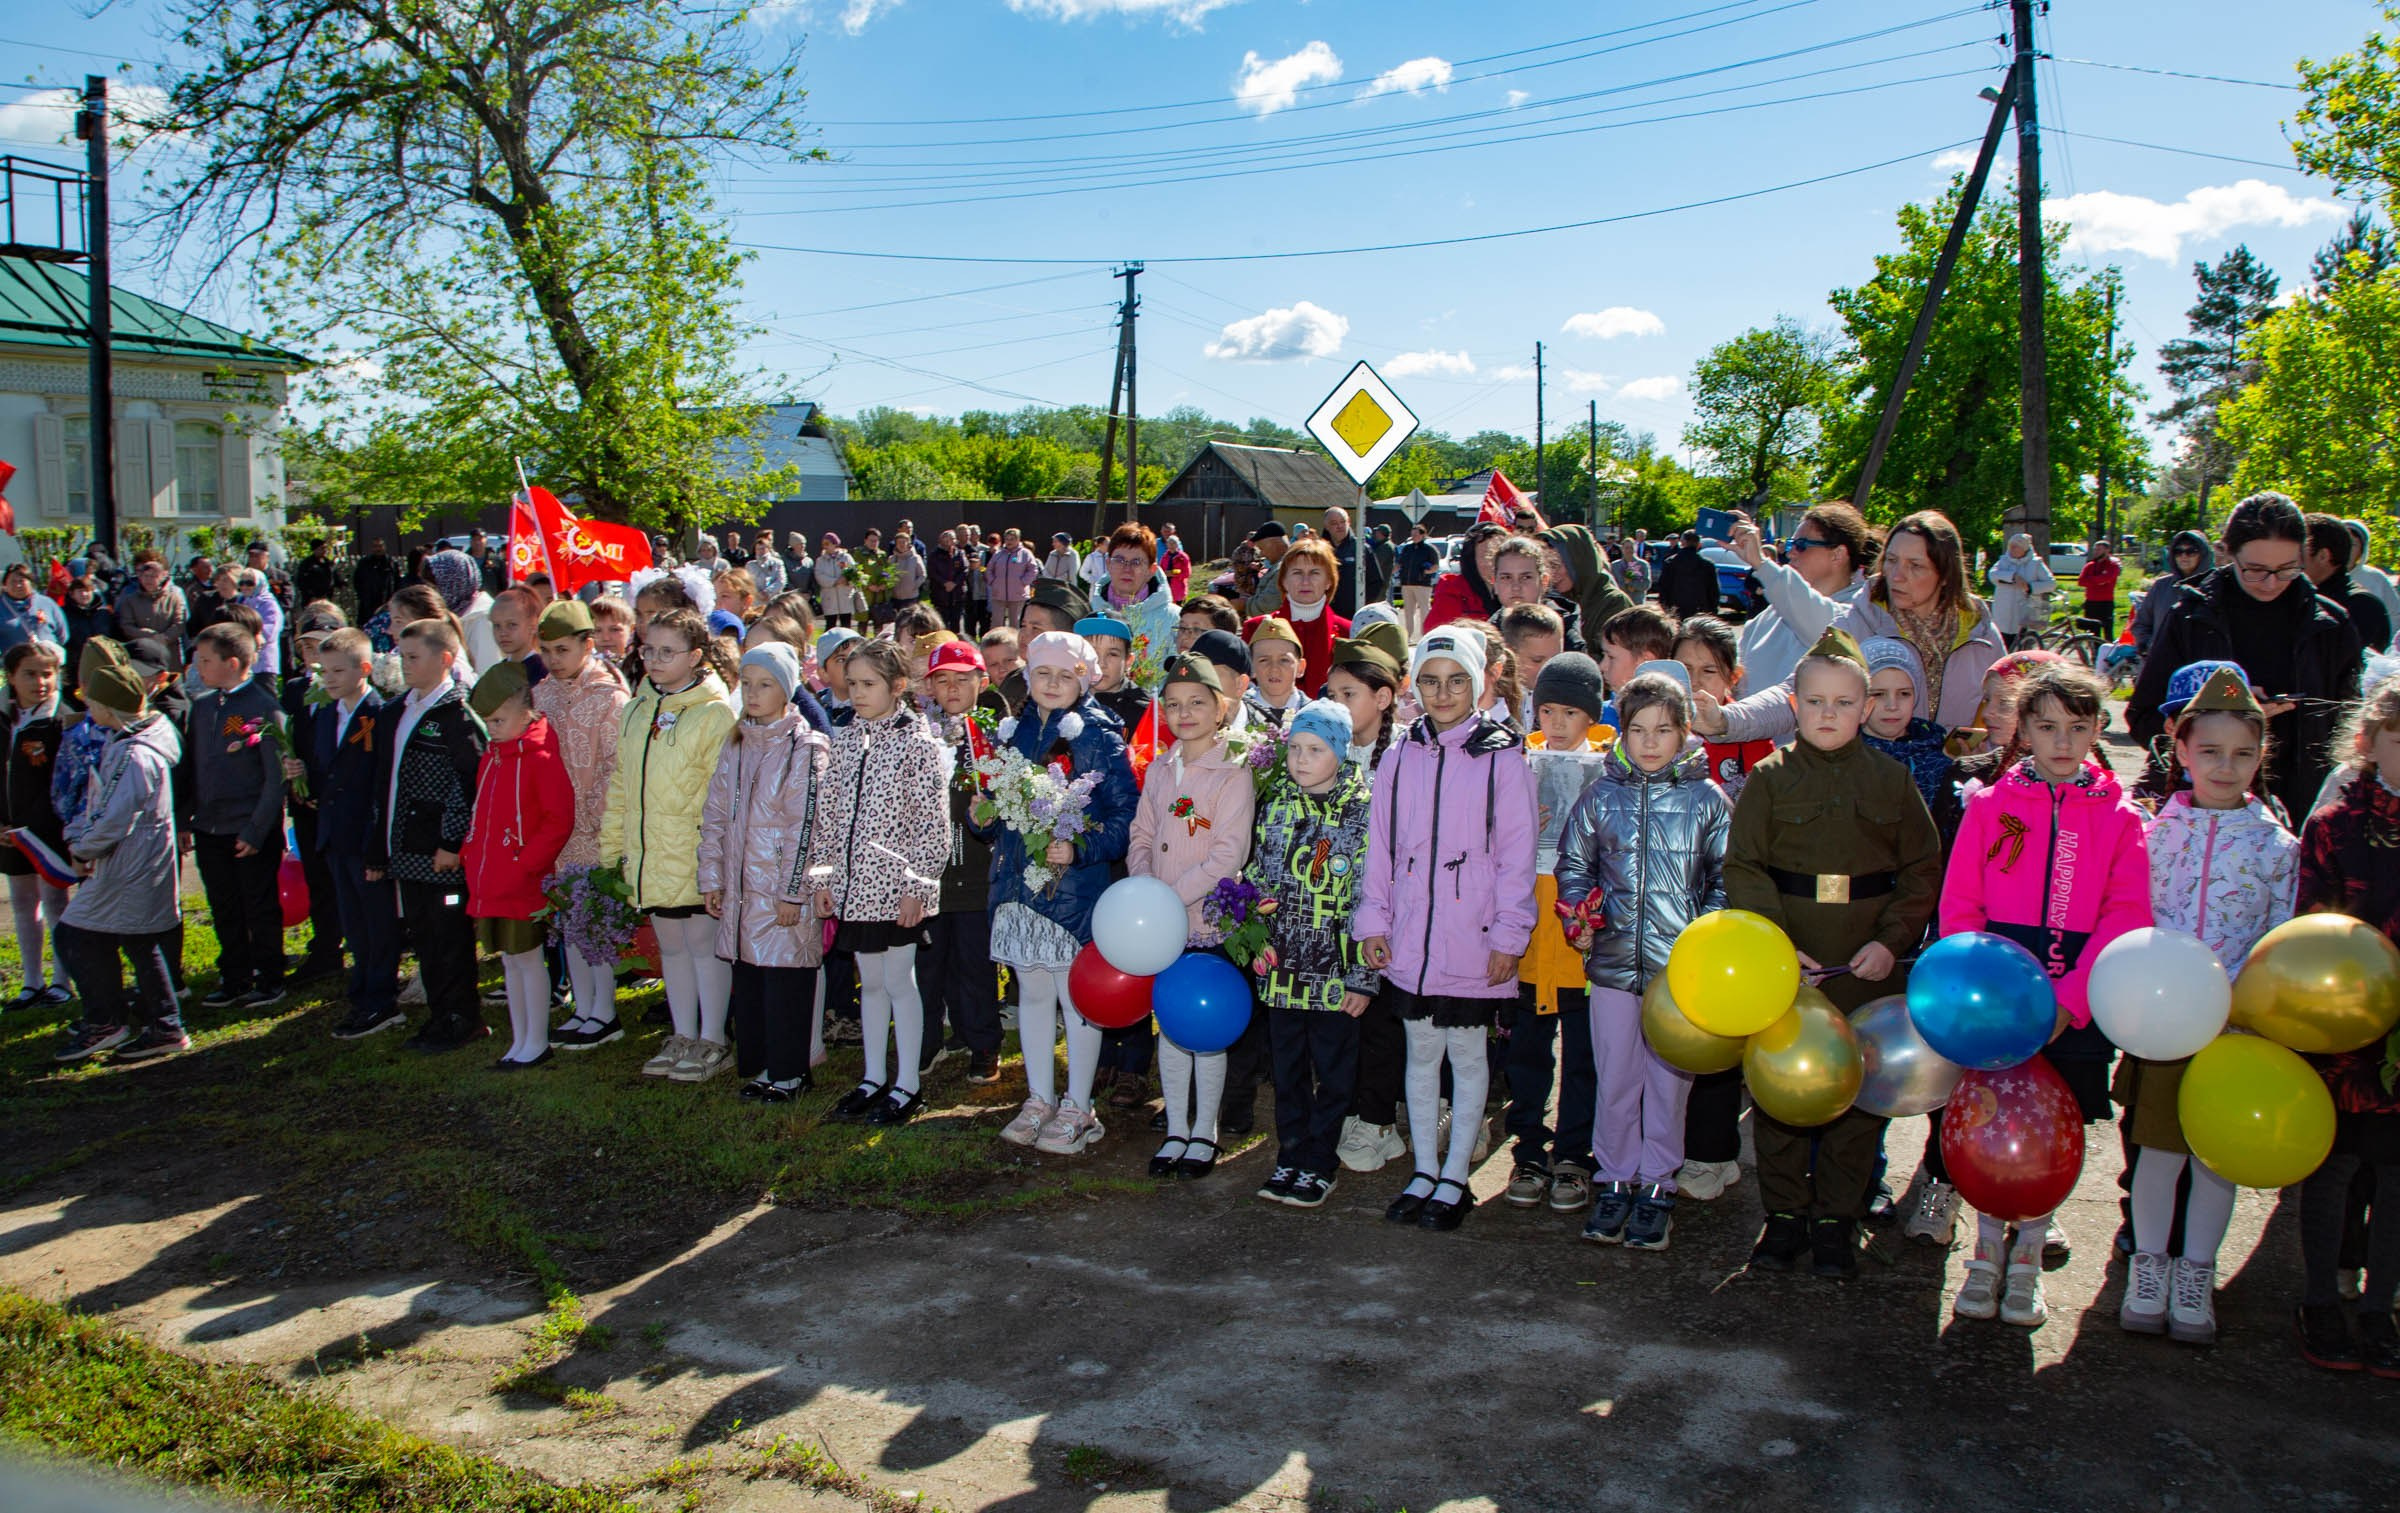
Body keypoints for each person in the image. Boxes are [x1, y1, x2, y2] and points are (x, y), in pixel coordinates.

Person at [1724, 629, 1942, 1278]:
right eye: (1815, 700)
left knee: (1858, 1090)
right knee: (1783, 1090)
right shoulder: (1768, 778)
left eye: (1844, 702)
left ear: (1866, 707)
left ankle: (1835, 1221)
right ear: (1794, 704)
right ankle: (1784, 1216)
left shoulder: (1893, 779)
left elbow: (1923, 868)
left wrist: (1891, 942)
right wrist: (1778, 945)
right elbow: (1745, 868)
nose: (1828, 713)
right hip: (1792, 965)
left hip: (1864, 965)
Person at [1941, 661, 2152, 1326]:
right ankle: (1982, 1257)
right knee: (1987, 1119)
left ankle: (2027, 1257)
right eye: (2047, 725)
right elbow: (1961, 905)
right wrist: (1985, 992)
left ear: (2097, 730)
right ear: (2023, 728)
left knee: (2053, 1130)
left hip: (2074, 1003)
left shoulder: (2120, 820)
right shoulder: (1991, 804)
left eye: (2078, 727)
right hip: (1996, 1003)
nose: (2062, 740)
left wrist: (2069, 1001)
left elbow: (2126, 914)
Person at [2110, 667, 2294, 1345]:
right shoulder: (2155, 834)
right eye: (2210, 750)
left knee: (2215, 1155)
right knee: (2158, 1148)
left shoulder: (2276, 847)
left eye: (2243, 753)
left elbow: (2281, 939)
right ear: (2180, 750)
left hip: (2235, 1027)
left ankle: (2196, 1272)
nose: (2226, 765)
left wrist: (2254, 1006)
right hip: (2165, 1023)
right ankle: (2149, 1265)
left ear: (2261, 758)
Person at [1355, 627, 1538, 1232]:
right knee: (1420, 1052)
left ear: (1480, 682)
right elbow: (1379, 846)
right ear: (1415, 685)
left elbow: (1517, 853)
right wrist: (1373, 919)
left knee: (1466, 1052)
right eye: (1430, 682)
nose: (1443, 693)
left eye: (1456, 681)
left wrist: (1510, 935)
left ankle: (1457, 1173)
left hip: (1473, 933)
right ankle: (1424, 1169)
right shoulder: (1401, 753)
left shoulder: (1503, 756)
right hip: (1412, 932)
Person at [1556, 670, 1729, 1250]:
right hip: (1609, 968)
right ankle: (1613, 1178)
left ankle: (1657, 1183)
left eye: (1663, 730)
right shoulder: (1600, 796)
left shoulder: (1708, 800)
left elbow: (1725, 881)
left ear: (1684, 733)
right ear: (1621, 734)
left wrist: (1707, 944)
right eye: (1637, 730)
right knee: (1616, 1076)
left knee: (1668, 1082)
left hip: (1678, 976)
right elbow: (1574, 865)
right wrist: (1577, 913)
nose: (1650, 742)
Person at [982, 632, 1140, 1156]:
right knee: (1032, 991)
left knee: (1077, 999)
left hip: (1072, 891)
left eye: (1065, 675)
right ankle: (1038, 1097)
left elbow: (1124, 816)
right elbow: (998, 806)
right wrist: (982, 814)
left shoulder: (1099, 734)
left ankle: (1078, 1105)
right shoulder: (1016, 729)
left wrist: (1080, 846)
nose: (1052, 685)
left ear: (1084, 679)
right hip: (1019, 886)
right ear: (1028, 677)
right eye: (1042, 674)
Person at [2130, 493, 2365, 824]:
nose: (2271, 583)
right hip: (2204, 818)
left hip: (2301, 810)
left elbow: (2353, 727)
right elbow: (2143, 719)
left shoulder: (2330, 624)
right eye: (2255, 569)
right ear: (2228, 553)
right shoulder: (2189, 617)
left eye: (2287, 569)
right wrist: (2217, 712)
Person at [2293, 677, 2400, 1374]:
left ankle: (2378, 1304)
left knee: (2395, 1173)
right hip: (2341, 1026)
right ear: (2369, 741)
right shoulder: (2334, 826)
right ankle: (2320, 1296)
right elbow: (2309, 928)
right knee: (2331, 1169)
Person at [1699, 510, 2005, 745]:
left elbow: (2011, 710)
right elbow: (1797, 691)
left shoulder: (1980, 631)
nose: (1897, 575)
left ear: (1946, 574)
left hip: (1960, 795)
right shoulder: (1861, 620)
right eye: (1892, 560)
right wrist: (1726, 721)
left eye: (1915, 566)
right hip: (1876, 793)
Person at [810, 639, 950, 1127]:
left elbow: (932, 824)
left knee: (898, 980)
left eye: (868, 684)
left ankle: (907, 1082)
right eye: (852, 685)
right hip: (855, 890)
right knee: (869, 983)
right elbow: (827, 817)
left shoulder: (918, 742)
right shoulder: (845, 738)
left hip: (895, 889)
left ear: (898, 686)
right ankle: (872, 1077)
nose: (858, 694)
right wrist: (824, 876)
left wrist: (918, 887)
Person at [1130, 653, 1258, 1179]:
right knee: (1172, 1025)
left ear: (1221, 708)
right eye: (1174, 705)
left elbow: (1227, 855)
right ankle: (1176, 1125)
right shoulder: (1160, 767)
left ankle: (1205, 1130)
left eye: (1197, 703)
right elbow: (1141, 833)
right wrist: (1142, 884)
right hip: (1161, 925)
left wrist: (1169, 896)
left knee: (1204, 1026)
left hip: (1204, 921)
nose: (1185, 714)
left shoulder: (1233, 772)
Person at [601, 607, 739, 1082]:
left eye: (667, 652)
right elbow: (621, 783)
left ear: (696, 656)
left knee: (704, 946)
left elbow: (720, 795)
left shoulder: (713, 714)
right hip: (651, 854)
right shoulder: (638, 709)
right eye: (648, 650)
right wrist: (614, 848)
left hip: (694, 855)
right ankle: (683, 1033)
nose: (655, 660)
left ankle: (714, 1038)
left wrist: (714, 860)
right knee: (672, 948)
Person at [1248, 697, 1376, 1209]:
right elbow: (1260, 870)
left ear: (1341, 753)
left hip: (1334, 970)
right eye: (1296, 748)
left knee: (1335, 1068)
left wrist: (1363, 976)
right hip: (1281, 967)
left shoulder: (1364, 810)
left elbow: (1372, 896)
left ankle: (1321, 1160)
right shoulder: (1278, 801)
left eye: (1316, 749)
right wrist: (1253, 924)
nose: (1301, 760)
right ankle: (1291, 1152)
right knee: (1288, 1068)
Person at [1503, 651, 1612, 1220]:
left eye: (1571, 713)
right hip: (1528, 929)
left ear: (1590, 716)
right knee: (1527, 1050)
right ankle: (1527, 1148)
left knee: (1583, 1055)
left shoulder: (1607, 768)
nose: (1559, 724)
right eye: (1547, 711)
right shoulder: (1519, 761)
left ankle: (1574, 1153)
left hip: (1579, 935)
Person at [698, 642, 829, 1104]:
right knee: (752, 976)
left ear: (787, 689)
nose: (753, 694)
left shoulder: (804, 747)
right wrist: (712, 878)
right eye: (746, 684)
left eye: (765, 684)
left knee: (785, 979)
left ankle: (790, 1071)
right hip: (740, 888)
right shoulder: (736, 743)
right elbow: (715, 814)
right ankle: (764, 1064)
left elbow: (806, 826)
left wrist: (793, 892)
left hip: (777, 889)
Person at [48, 640, 187, 1064]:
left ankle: (107, 1020)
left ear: (109, 708)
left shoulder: (134, 754)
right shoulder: (136, 741)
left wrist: (82, 847)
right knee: (139, 943)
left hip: (129, 865)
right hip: (138, 861)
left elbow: (111, 815)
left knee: (73, 934)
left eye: (92, 701)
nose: (88, 708)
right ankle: (164, 1025)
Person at [368, 619, 489, 1052]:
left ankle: (462, 1017)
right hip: (409, 851)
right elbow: (386, 784)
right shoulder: (398, 711)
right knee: (424, 936)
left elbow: (471, 783)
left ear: (444, 660)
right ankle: (440, 1015)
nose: (405, 665)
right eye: (402, 656)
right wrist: (379, 848)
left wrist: (452, 843)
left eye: (414, 657)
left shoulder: (457, 716)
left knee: (450, 938)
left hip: (441, 855)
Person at [460, 662, 572, 1069]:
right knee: (510, 961)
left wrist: (526, 865)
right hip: (493, 878)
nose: (491, 727)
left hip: (522, 880)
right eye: (488, 721)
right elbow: (482, 814)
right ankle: (520, 1036)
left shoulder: (540, 757)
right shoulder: (493, 757)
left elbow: (558, 819)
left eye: (499, 719)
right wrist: (473, 855)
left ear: (524, 709)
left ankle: (537, 1039)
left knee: (527, 958)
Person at [299, 629, 403, 1041]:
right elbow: (328, 769)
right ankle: (362, 984)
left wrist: (376, 846)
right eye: (324, 671)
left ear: (363, 670)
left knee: (377, 921)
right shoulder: (326, 713)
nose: (329, 678)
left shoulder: (378, 714)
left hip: (365, 837)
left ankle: (381, 994)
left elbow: (379, 783)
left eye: (338, 670)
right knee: (353, 920)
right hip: (336, 835)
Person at [183, 623, 288, 1011]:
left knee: (257, 903)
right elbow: (192, 768)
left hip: (247, 828)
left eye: (206, 660)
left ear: (232, 663)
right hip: (210, 826)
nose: (198, 667)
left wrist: (257, 829)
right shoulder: (204, 707)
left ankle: (269, 975)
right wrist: (185, 819)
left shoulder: (262, 707)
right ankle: (235, 975)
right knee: (223, 904)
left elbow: (275, 776)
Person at [919, 638, 1005, 1086]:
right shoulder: (920, 734)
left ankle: (982, 1042)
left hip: (975, 873)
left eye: (962, 679)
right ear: (929, 686)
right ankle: (927, 1040)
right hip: (929, 877)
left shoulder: (993, 735)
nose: (952, 689)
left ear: (981, 682)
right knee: (930, 964)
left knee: (974, 963)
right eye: (942, 680)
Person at [0, 640, 70, 1008]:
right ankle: (31, 982)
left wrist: (44, 827)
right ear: (10, 677)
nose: (40, 682)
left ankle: (62, 980)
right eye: (29, 674)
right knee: (23, 902)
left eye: (47, 673)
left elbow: (64, 783)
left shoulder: (62, 720)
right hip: (8, 834)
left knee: (55, 902)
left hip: (47, 833)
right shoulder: (3, 718)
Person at [1243, 538, 1348, 699]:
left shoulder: (1348, 632)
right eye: (1297, 573)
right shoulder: (1255, 629)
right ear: (1284, 581)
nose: (1305, 581)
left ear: (1329, 581)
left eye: (1315, 573)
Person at [1092, 523, 1179, 683]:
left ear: (1151, 570)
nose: (1127, 569)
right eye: (1119, 560)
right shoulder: (1087, 615)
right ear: (1108, 564)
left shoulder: (1175, 620)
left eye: (1136, 562)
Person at [1322, 625, 1406, 774]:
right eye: (1332, 696)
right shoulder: (1324, 749)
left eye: (1348, 694)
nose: (1337, 706)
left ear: (1382, 698)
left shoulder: (1409, 750)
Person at [2306, 511, 2392, 654]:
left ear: (2323, 556)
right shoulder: (2299, 596)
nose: (2291, 560)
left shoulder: (2362, 606)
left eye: (2299, 552)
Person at [2130, 530, 2209, 661]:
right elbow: (2141, 624)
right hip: (2162, 663)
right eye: (2178, 551)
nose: (2184, 556)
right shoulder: (2161, 586)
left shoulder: (2213, 586)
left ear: (2203, 554)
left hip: (2201, 665)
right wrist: (2150, 646)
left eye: (2191, 551)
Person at [1422, 521, 1508, 634]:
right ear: (1471, 559)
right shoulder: (1453, 591)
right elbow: (1435, 635)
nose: (1495, 562)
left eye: (1501, 555)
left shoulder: (1518, 589)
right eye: (1488, 555)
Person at [424, 548, 501, 672]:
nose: (432, 593)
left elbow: (486, 671)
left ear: (454, 582)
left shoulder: (483, 619)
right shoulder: (459, 613)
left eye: (435, 586)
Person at [113, 553, 189, 672]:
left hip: (170, 652)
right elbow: (126, 625)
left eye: (153, 576)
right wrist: (150, 637)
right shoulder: (130, 600)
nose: (149, 580)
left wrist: (165, 638)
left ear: (163, 577)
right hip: (142, 653)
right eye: (146, 576)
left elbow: (179, 623)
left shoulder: (174, 598)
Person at [1988, 532, 2058, 647]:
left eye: (2015, 546)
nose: (2011, 549)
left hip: (2025, 611)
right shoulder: (2004, 561)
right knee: (2002, 643)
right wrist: (2012, 576)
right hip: (2004, 611)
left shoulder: (2036, 563)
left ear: (2024, 548)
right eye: (2010, 546)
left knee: (2023, 644)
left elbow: (2051, 583)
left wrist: (2030, 587)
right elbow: (1992, 575)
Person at [0, 563, 68, 653]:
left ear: (30, 582)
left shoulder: (47, 603)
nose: (18, 585)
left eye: (21, 581)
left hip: (48, 660)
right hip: (14, 663)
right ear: (5, 585)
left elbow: (62, 635)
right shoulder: (2, 606)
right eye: (13, 582)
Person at [1654, 530, 1718, 621]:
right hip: (1700, 611)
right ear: (1698, 544)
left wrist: (1664, 608)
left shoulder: (1671, 562)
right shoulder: (1707, 565)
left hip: (1675, 610)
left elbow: (1663, 588)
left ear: (1682, 542)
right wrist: (1713, 612)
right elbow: (1713, 592)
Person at [985, 528, 1039, 631]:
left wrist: (1023, 582)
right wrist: (993, 582)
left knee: (1014, 622)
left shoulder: (1025, 553)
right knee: (996, 622)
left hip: (1017, 594)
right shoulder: (998, 554)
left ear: (1018, 540)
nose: (1009, 541)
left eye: (1012, 539)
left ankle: (1014, 644)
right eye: (1007, 539)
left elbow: (1033, 570)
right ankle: (996, 643)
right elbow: (989, 569)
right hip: (999, 594)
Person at [1397, 525, 1441, 639]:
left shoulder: (1429, 549)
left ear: (1423, 535)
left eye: (1416, 534)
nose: (1414, 537)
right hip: (1407, 584)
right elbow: (1399, 564)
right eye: (1412, 534)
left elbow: (1436, 565)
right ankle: (1408, 635)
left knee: (1424, 610)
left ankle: (1426, 634)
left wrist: (1427, 571)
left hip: (1422, 585)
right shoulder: (1407, 549)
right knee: (1408, 611)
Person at [2075, 538, 2124, 640]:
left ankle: (2107, 653)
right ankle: (2094, 654)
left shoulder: (2113, 566)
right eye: (2095, 550)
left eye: (2099, 549)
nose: (2096, 552)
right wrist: (2098, 581)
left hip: (2105, 603)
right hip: (2091, 603)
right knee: (2092, 633)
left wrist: (2092, 580)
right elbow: (2081, 581)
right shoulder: (2090, 566)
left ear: (2107, 550)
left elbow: (2107, 578)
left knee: (2107, 631)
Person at [813, 534, 862, 628]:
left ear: (835, 544)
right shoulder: (820, 560)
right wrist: (835, 581)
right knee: (830, 625)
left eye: (827, 543)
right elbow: (819, 576)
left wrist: (847, 580)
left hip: (845, 597)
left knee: (846, 625)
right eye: (823, 544)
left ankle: (846, 643)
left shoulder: (846, 557)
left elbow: (855, 574)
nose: (825, 546)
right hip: (829, 598)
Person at [351, 540, 400, 624]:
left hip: (386, 600)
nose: (378, 549)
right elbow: (357, 580)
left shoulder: (391, 563)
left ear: (384, 547)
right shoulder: (364, 563)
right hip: (368, 602)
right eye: (375, 546)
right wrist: (363, 595)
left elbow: (397, 581)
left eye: (380, 546)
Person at [1159, 527, 1192, 605]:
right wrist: (1164, 573)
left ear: (1177, 544)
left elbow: (1187, 573)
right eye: (1169, 543)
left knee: (1178, 609)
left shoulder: (1183, 557)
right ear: (1167, 544)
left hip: (1178, 588)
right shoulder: (1165, 557)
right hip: (1167, 587)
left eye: (1173, 543)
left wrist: (1174, 574)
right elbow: (1160, 571)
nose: (1171, 545)